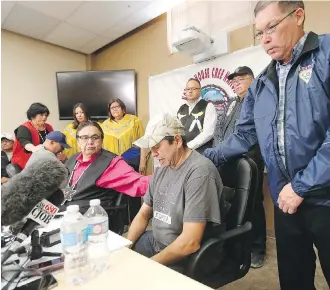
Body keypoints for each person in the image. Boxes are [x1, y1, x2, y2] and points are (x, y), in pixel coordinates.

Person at [204, 1, 330, 289]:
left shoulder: (326, 54)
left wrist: (301, 186)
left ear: (298, 16)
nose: (265, 39)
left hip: (324, 197)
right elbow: (244, 135)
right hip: (286, 201)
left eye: (271, 27)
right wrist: (204, 157)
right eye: (260, 33)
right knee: (294, 280)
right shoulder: (261, 83)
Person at [127, 114, 224, 273]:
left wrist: (149, 265)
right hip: (156, 243)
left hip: (187, 256)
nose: (154, 153)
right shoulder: (161, 169)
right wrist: (125, 247)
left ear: (177, 141)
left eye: (157, 146)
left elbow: (190, 243)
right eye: (151, 147)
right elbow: (143, 214)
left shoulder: (199, 172)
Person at [217, 66, 266, 268]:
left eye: (241, 80)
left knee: (253, 204)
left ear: (252, 80)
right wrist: (219, 150)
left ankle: (257, 249)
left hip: (249, 159)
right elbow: (220, 128)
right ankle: (237, 245)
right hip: (228, 160)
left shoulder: (258, 100)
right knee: (234, 203)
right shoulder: (231, 102)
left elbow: (253, 134)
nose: (236, 84)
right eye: (234, 81)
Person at [62, 121, 151, 220]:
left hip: (90, 222)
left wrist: (166, 179)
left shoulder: (111, 163)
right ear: (78, 141)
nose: (90, 141)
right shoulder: (71, 160)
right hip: (61, 217)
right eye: (84, 137)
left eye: (95, 137)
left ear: (101, 141)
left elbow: (139, 183)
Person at [101, 98, 147, 175]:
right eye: (112, 108)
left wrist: (142, 162)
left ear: (123, 109)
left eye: (117, 106)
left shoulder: (134, 121)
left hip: (131, 161)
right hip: (112, 164)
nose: (115, 109)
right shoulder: (104, 125)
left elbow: (143, 142)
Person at [177, 78, 217, 154]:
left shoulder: (208, 106)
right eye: (188, 89)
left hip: (202, 153)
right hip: (183, 153)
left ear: (200, 90)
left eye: (193, 89)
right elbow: (176, 131)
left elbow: (208, 133)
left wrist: (188, 147)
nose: (190, 91)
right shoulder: (181, 109)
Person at [11, 103, 54, 170]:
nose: (44, 117)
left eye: (46, 115)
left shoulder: (48, 127)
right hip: (24, 164)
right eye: (41, 115)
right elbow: (25, 143)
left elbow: (53, 142)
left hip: (44, 161)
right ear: (32, 116)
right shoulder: (23, 128)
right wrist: (34, 148)